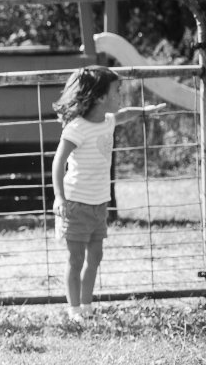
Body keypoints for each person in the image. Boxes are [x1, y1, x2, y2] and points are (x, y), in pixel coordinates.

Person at [51, 65, 165, 322]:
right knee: (76, 258)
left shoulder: (108, 120)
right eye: (117, 91)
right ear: (100, 97)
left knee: (96, 256)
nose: (120, 96)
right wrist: (59, 197)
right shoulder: (76, 128)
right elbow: (58, 163)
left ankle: (87, 305)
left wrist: (144, 112)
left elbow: (124, 114)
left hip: (99, 203)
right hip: (76, 204)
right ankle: (74, 310)